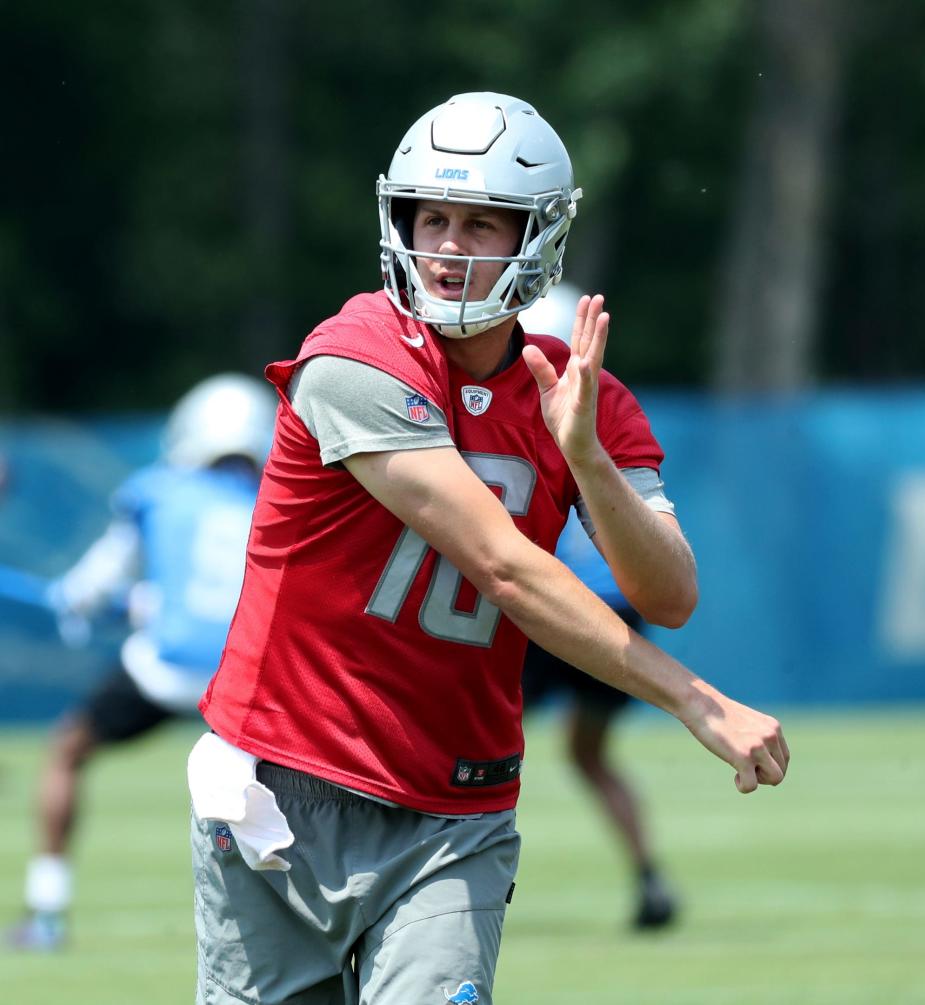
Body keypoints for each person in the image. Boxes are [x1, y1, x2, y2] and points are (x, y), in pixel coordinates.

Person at [188, 92, 789, 1005]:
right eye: (433, 216)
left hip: (454, 806)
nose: (449, 246)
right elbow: (503, 566)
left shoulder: (580, 394)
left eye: (480, 223)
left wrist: (585, 458)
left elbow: (668, 593)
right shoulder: (353, 357)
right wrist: (697, 701)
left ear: (535, 238)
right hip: (285, 786)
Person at [7, 373, 275, 952]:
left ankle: (47, 914)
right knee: (292, 791)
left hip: (166, 667)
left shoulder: (156, 490)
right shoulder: (280, 496)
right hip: (245, 674)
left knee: (67, 751)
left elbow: (87, 590)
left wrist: (100, 604)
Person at [520, 284, 678, 929]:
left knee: (468, 748)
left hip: (548, 609)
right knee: (589, 756)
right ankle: (650, 878)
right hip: (616, 608)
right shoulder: (605, 413)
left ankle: (441, 880)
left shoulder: (510, 418)